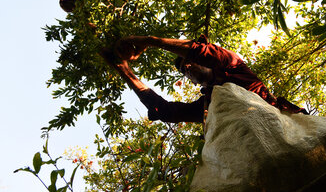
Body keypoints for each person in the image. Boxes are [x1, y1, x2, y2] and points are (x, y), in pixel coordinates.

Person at [100, 35, 308, 123]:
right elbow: (167, 111)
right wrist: (124, 71)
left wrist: (148, 40)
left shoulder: (232, 65)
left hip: (277, 121)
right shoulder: (209, 104)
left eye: (187, 62)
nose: (188, 67)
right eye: (184, 71)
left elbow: (200, 51)